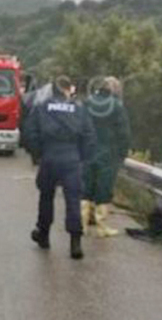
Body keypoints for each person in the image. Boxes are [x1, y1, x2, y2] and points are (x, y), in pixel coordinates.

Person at [24, 76, 96, 259]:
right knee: (73, 199)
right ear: (67, 90)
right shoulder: (79, 109)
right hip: (72, 158)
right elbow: (89, 136)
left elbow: (30, 133)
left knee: (46, 196)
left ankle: (43, 235)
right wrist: (81, 158)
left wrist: (37, 154)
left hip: (49, 156)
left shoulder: (42, 108)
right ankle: (75, 243)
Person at [81, 76, 132, 237]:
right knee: (103, 189)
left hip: (86, 152)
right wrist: (122, 154)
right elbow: (124, 134)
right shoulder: (117, 106)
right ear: (114, 90)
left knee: (85, 188)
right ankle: (102, 227)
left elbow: (78, 126)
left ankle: (82, 225)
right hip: (108, 154)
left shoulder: (87, 103)